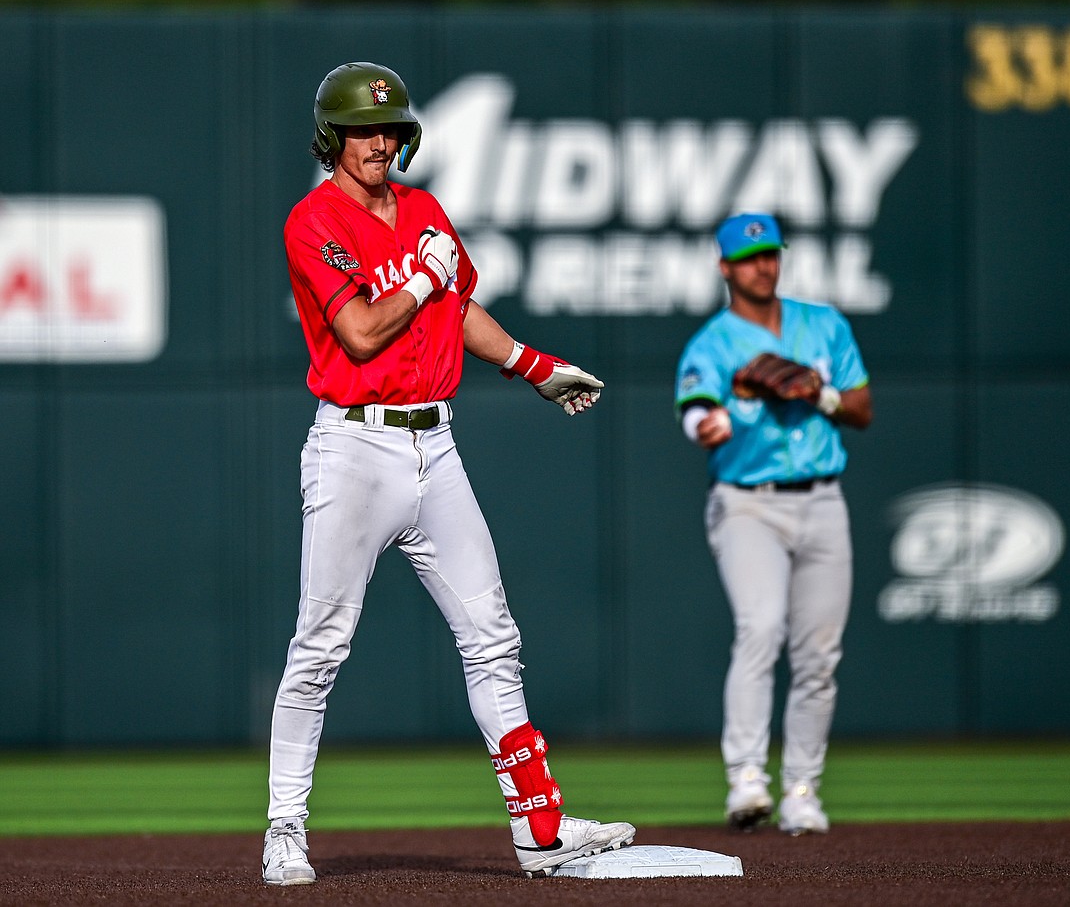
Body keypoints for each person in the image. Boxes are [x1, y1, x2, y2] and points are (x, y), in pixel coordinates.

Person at [261, 61, 635, 886]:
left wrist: (534, 365)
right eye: (361, 129)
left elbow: (456, 308)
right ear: (331, 137)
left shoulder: (423, 209)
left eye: (388, 129)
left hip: (437, 443)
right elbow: (359, 332)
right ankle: (284, 829)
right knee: (320, 647)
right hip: (354, 447)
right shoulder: (313, 220)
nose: (377, 142)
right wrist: (426, 275)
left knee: (494, 638)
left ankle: (540, 829)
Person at [674, 213, 872, 835]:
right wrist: (711, 422)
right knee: (760, 627)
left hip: (822, 497)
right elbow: (697, 410)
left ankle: (803, 789)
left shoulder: (823, 325)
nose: (764, 264)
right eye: (750, 256)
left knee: (818, 652)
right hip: (748, 501)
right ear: (725, 267)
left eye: (771, 253)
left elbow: (862, 409)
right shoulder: (711, 344)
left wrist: (819, 394)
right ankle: (747, 779)